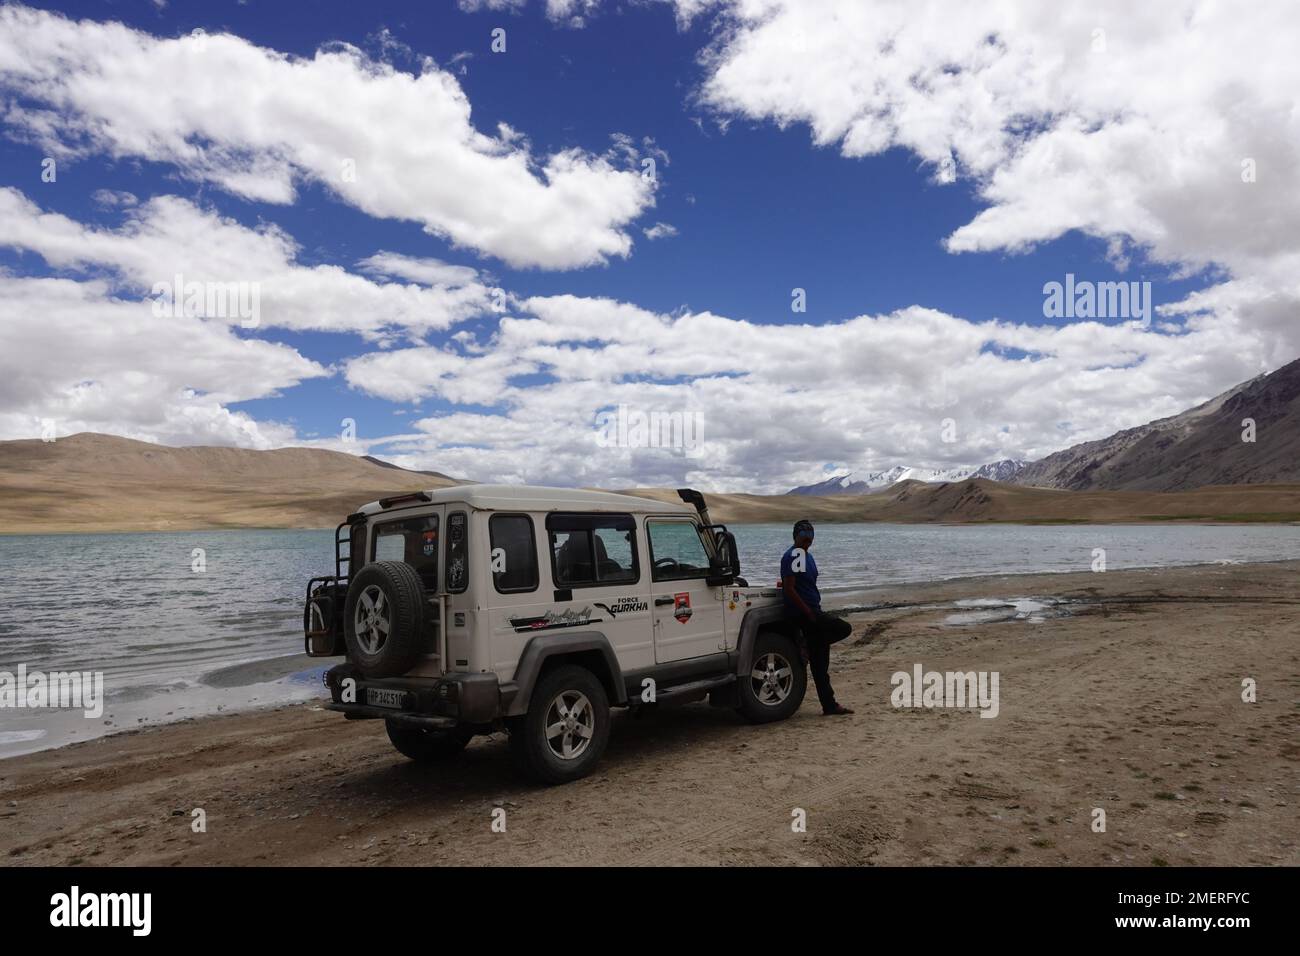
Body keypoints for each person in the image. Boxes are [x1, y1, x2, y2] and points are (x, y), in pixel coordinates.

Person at [780, 519, 854, 716]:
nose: (807, 542)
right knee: (843, 628)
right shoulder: (793, 556)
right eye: (803, 538)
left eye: (810, 539)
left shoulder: (807, 556)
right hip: (804, 613)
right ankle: (805, 644)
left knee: (820, 665)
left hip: (813, 610)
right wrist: (808, 611)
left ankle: (829, 705)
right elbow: (789, 588)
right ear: (796, 537)